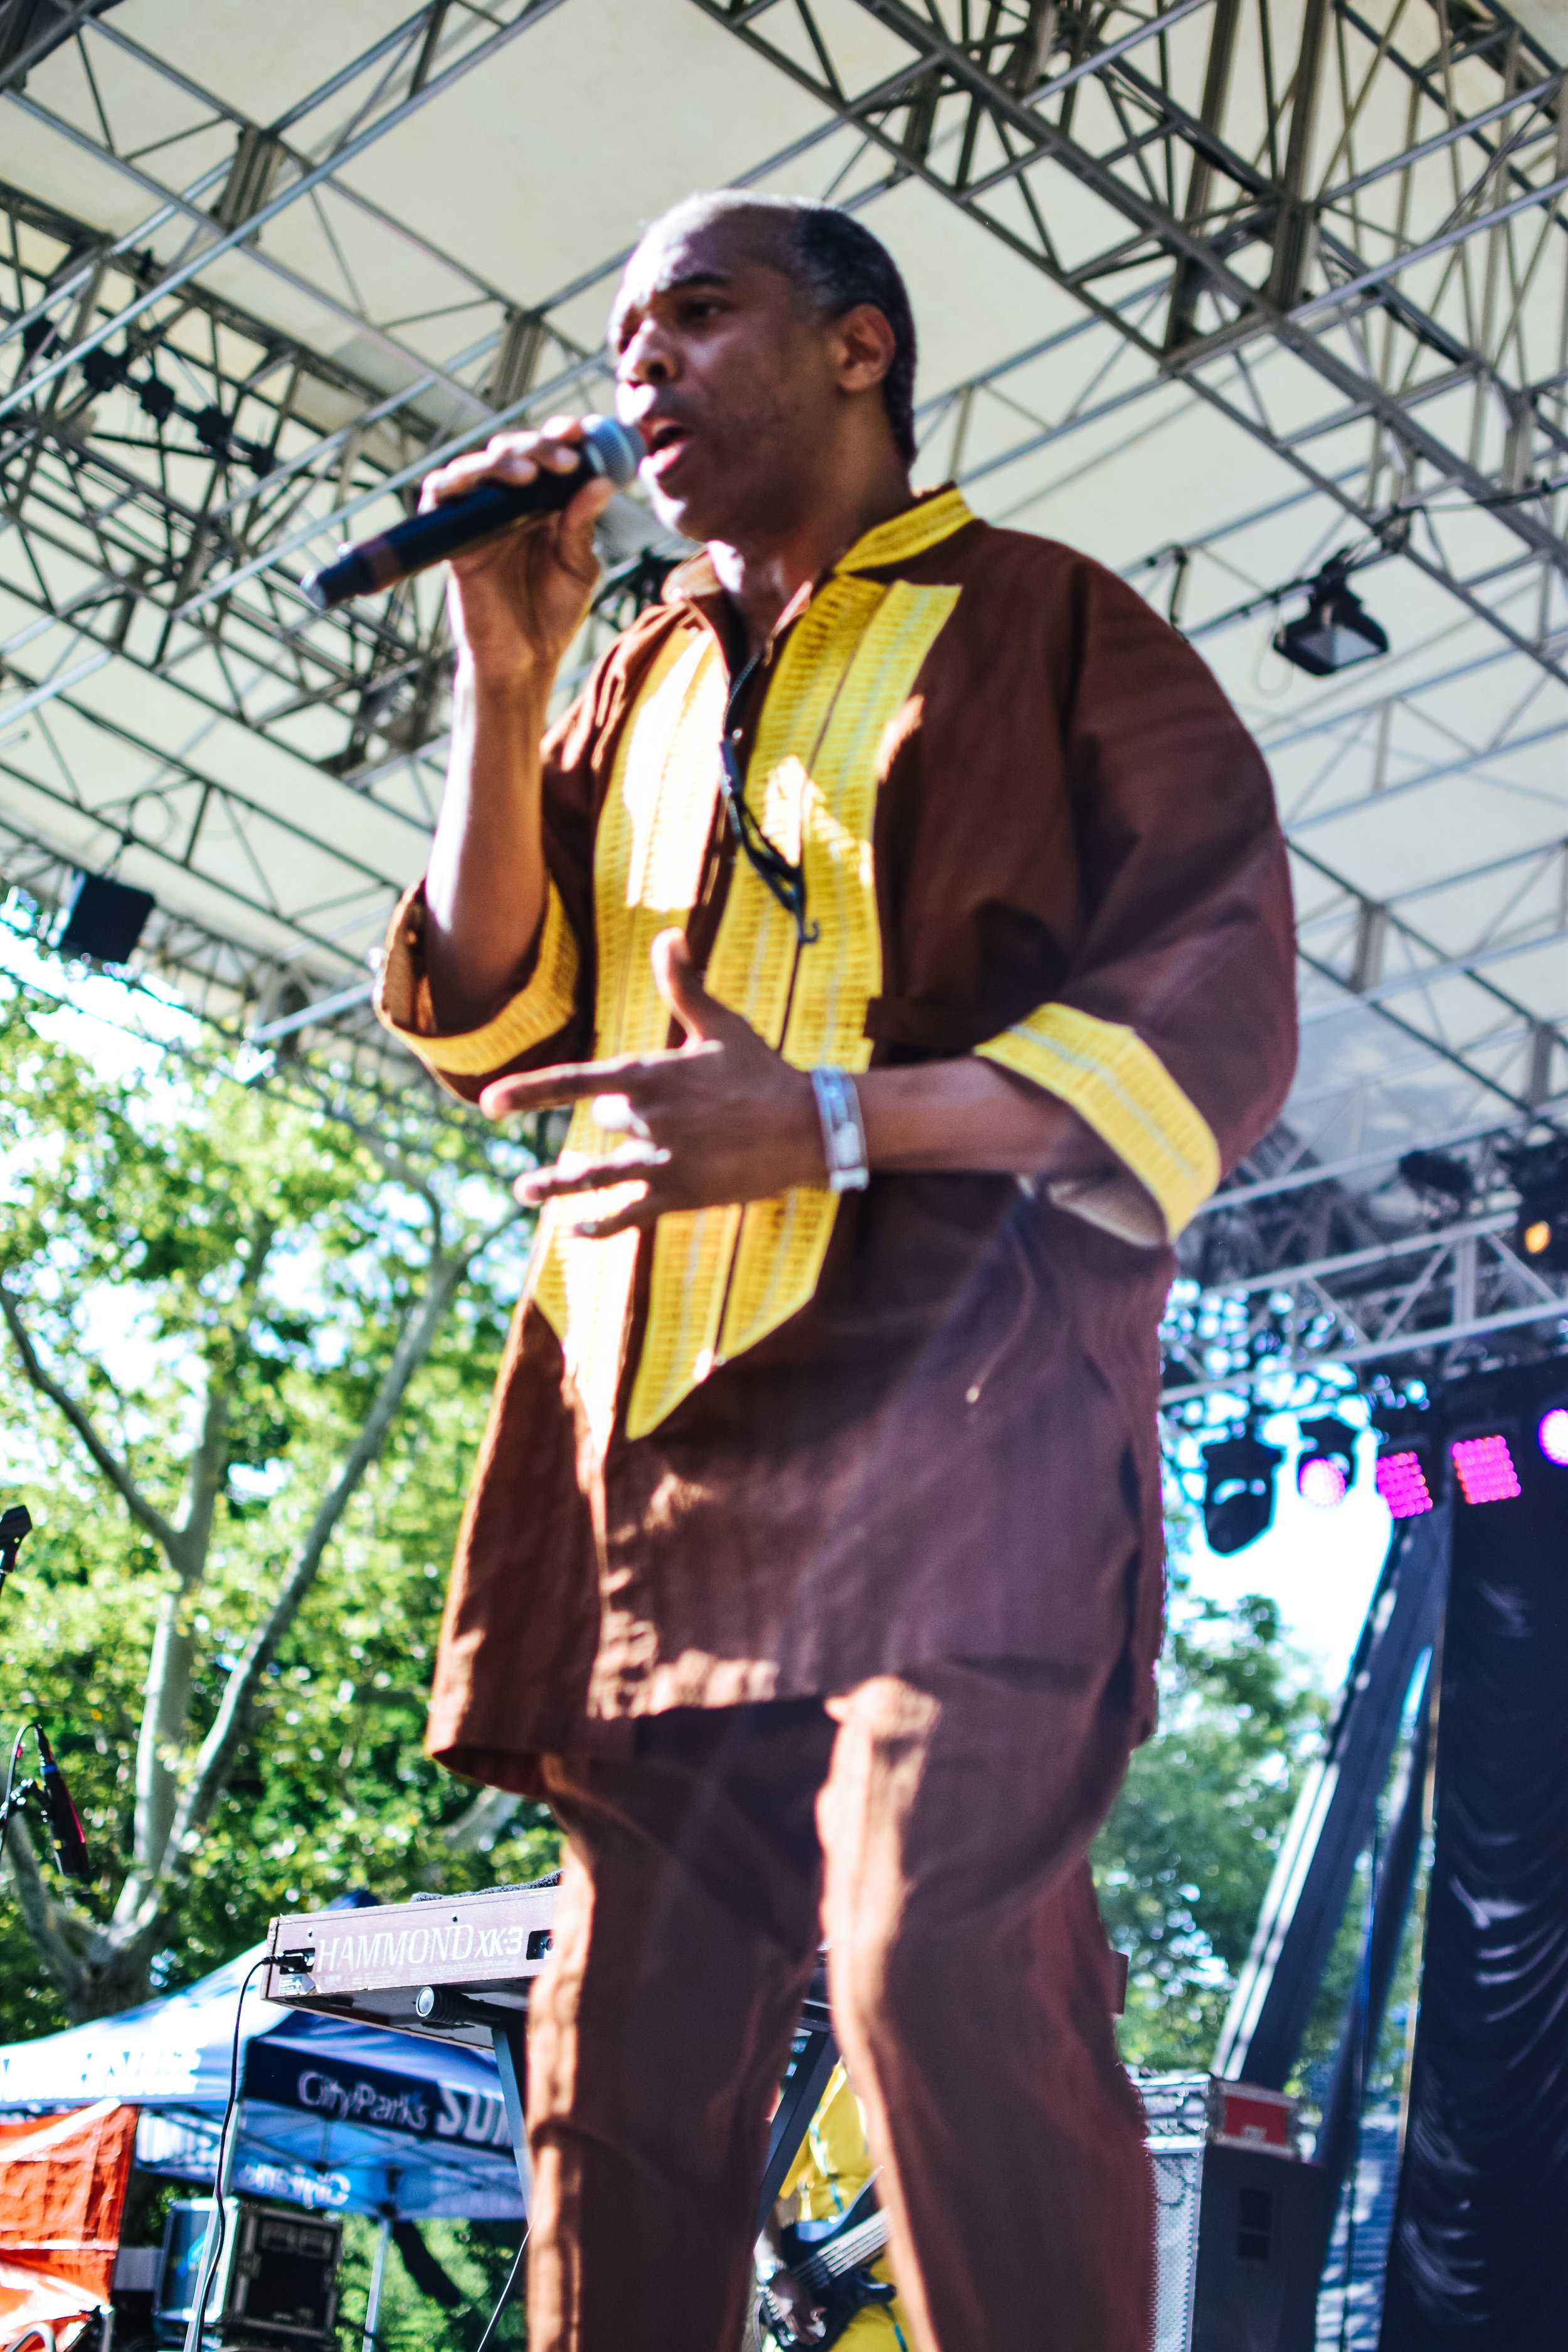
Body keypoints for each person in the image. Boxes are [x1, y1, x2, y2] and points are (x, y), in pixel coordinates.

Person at [376, 190, 1296, 2352]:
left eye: (695, 314)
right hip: (650, 1443)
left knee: (931, 1969)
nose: (642, 370)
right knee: (614, 2074)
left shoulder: (1052, 625)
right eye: (619, 337)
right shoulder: (631, 671)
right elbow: (495, 1012)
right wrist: (502, 682)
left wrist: (841, 1122)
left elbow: (1212, 1010)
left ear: (858, 347)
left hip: (952, 1419)